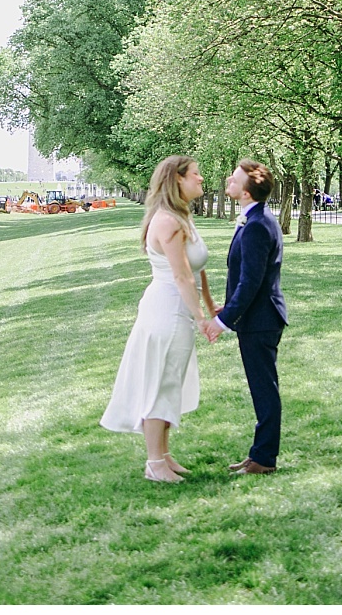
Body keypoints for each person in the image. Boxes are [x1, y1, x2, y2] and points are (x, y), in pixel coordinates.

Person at [101, 156, 217, 482]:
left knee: (172, 381)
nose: (201, 177)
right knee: (161, 382)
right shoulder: (167, 221)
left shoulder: (182, 216)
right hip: (167, 309)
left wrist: (209, 304)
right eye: (196, 173)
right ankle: (154, 463)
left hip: (179, 308)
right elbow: (181, 276)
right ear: (177, 179)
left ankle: (165, 455)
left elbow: (198, 266)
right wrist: (200, 319)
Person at [208, 160, 288, 475]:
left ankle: (265, 459)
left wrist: (223, 320)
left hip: (261, 320)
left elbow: (251, 283)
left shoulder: (256, 224)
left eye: (235, 177)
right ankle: (259, 453)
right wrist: (227, 308)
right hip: (256, 318)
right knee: (261, 388)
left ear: (246, 190)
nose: (229, 178)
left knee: (264, 389)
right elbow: (246, 276)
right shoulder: (253, 219)